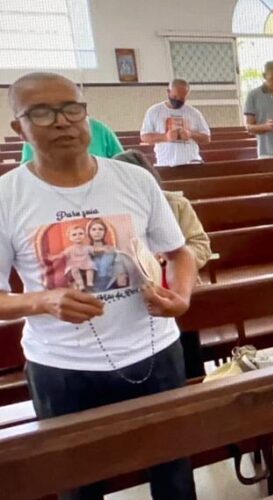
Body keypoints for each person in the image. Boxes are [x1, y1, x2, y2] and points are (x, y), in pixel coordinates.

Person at [0, 72, 198, 500]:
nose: (62, 122)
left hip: (154, 354)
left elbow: (180, 253)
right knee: (78, 487)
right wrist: (43, 299)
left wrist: (180, 296)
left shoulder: (134, 179)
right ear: (19, 126)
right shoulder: (7, 196)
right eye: (42, 112)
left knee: (175, 477)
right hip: (63, 368)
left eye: (72, 109)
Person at [115, 149, 212, 378]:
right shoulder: (112, 209)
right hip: (137, 295)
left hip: (178, 288)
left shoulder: (175, 203)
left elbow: (200, 244)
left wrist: (169, 259)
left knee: (187, 360)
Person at [140, 79, 211, 166]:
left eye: (182, 98)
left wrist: (190, 134)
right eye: (174, 97)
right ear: (168, 92)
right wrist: (165, 137)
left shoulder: (194, 113)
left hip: (192, 162)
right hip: (165, 163)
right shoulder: (154, 111)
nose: (177, 100)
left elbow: (207, 138)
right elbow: (144, 136)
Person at [19, 116, 123, 163]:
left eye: (71, 110)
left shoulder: (98, 128)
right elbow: (27, 172)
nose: (62, 121)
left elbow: (122, 162)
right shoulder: (36, 134)